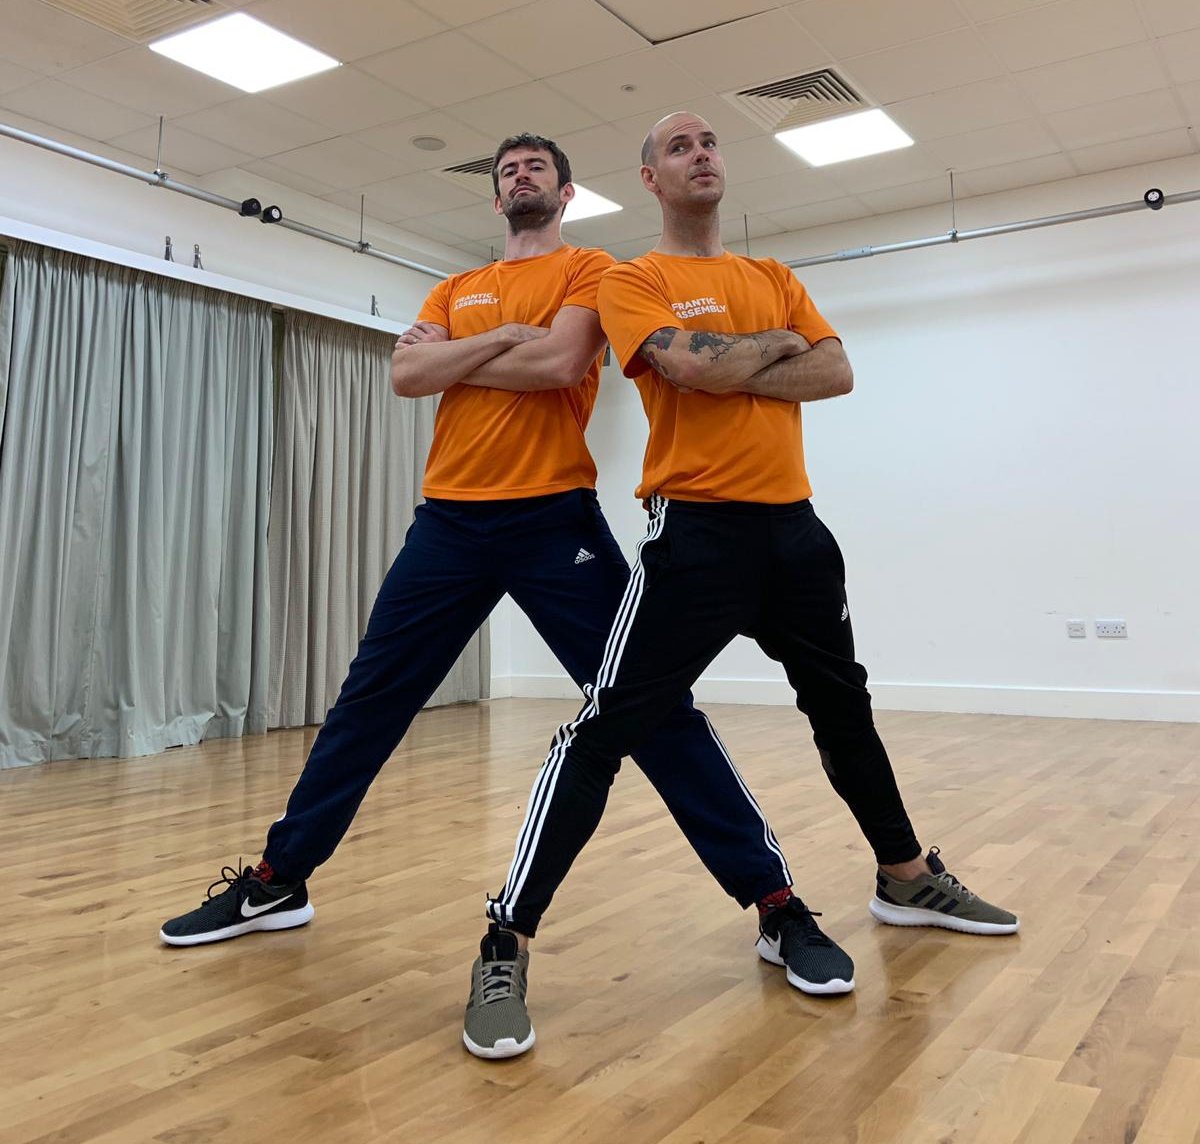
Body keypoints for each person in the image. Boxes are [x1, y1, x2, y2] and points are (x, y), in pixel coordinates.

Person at [159, 132, 845, 1043]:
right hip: (447, 523)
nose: (520, 179)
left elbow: (560, 365)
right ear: (494, 199)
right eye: (506, 172)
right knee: (369, 702)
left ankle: (776, 903)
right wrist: (502, 339)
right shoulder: (453, 287)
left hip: (553, 523)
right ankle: (278, 880)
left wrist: (470, 353)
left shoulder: (591, 269)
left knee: (649, 709)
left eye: (535, 170)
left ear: (566, 190)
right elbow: (406, 375)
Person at [466, 112, 1018, 1058]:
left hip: (798, 534)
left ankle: (905, 876)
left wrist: (730, 360)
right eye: (679, 147)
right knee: (606, 729)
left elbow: (836, 370)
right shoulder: (633, 280)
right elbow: (683, 367)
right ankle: (506, 935)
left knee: (845, 710)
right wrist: (760, 354)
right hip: (696, 538)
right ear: (649, 178)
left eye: (711, 141)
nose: (702, 154)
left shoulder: (773, 278)